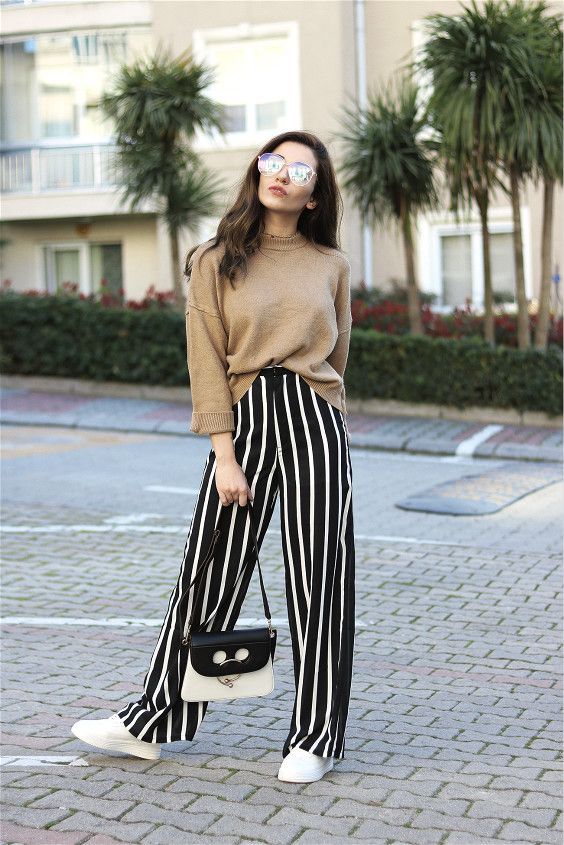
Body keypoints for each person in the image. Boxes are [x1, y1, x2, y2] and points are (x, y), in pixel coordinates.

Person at [71, 130, 355, 784]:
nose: (281, 174)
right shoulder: (215, 259)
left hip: (315, 418)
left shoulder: (331, 265)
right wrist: (224, 454)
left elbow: (338, 356)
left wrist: (327, 417)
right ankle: (152, 720)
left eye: (300, 171)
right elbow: (206, 363)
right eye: (272, 161)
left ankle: (316, 735)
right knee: (208, 571)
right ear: (257, 171)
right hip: (245, 418)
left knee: (322, 578)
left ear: (315, 196)